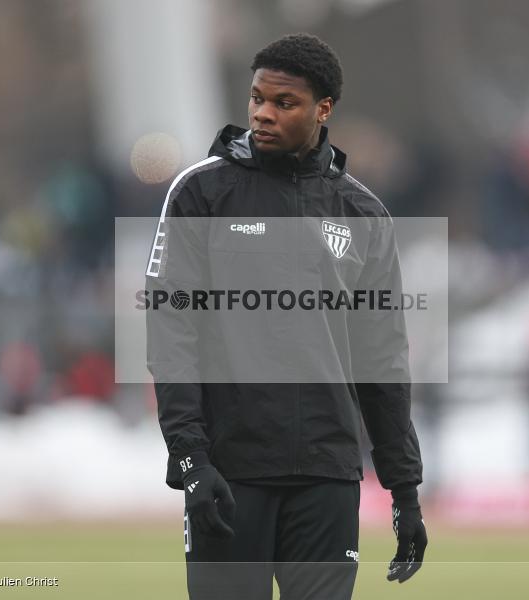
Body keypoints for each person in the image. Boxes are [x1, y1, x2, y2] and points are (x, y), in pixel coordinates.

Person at [146, 33, 426, 600]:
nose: (262, 114)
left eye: (284, 102)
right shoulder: (200, 194)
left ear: (323, 109)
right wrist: (191, 458)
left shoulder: (363, 213)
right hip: (230, 472)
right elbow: (171, 336)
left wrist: (404, 489)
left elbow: (382, 360)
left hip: (327, 475)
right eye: (257, 98)